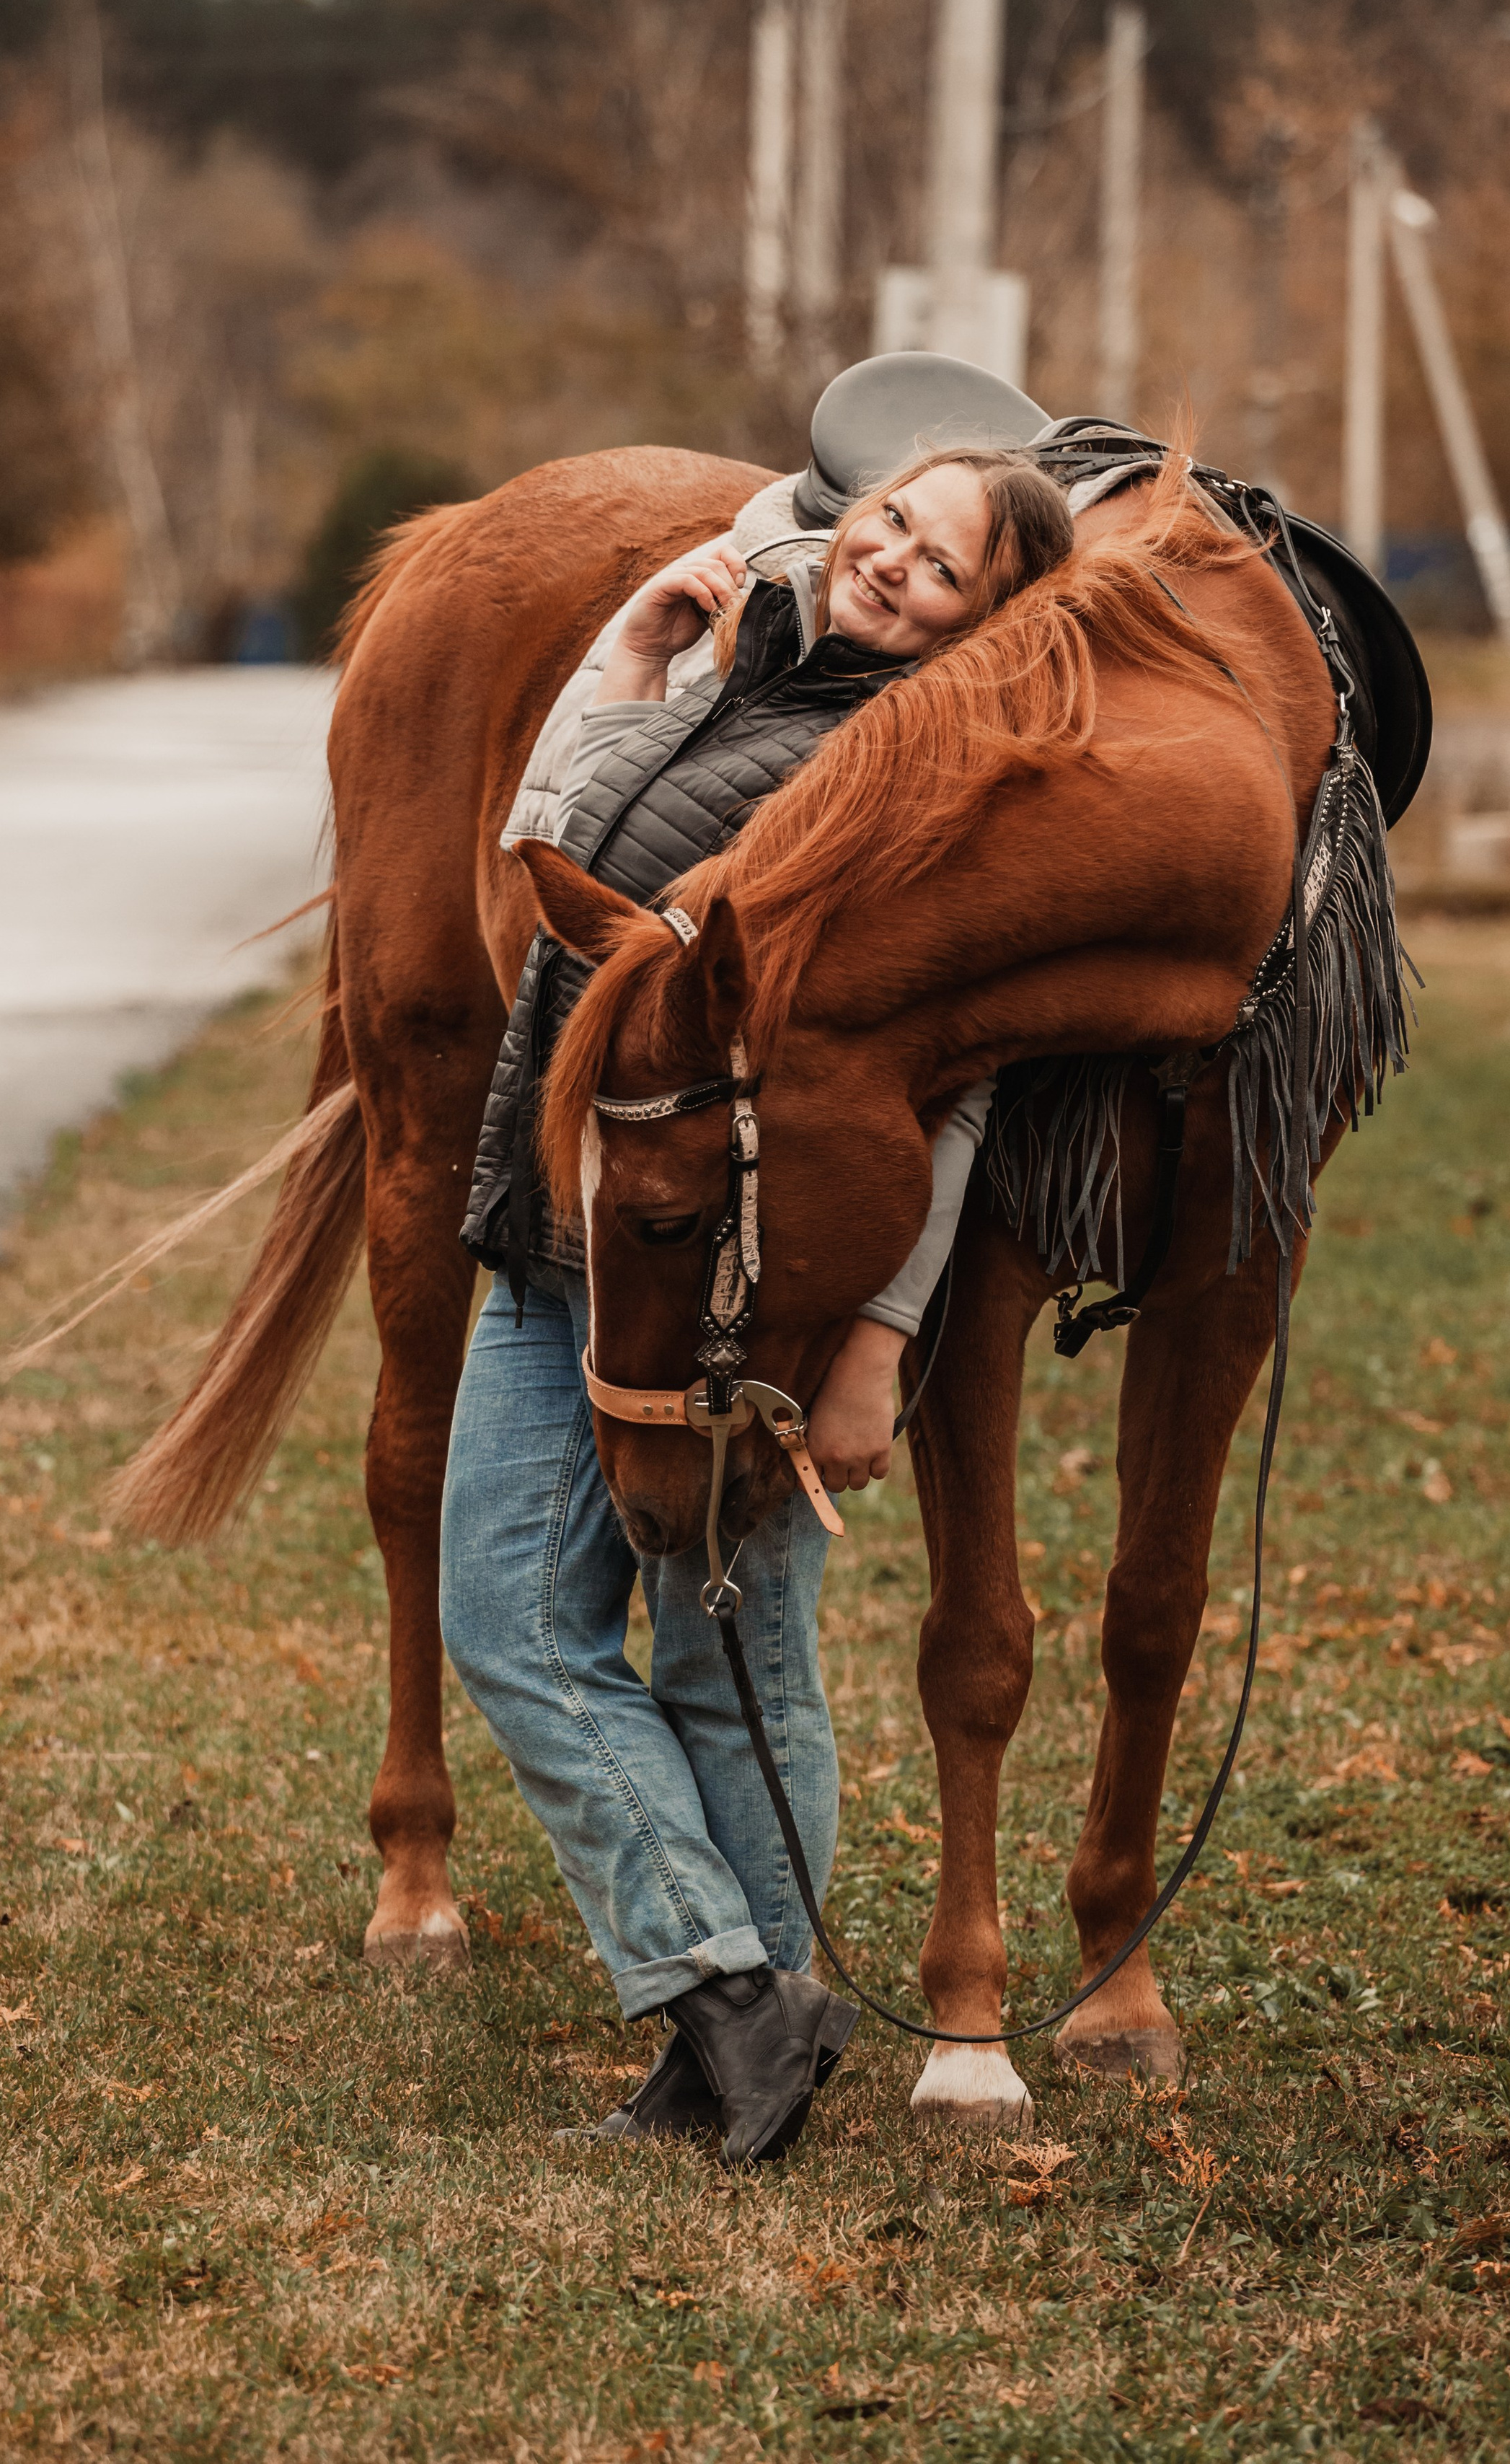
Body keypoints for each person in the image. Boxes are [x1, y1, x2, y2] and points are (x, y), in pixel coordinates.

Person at [440, 446, 1074, 2165]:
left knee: (728, 1652)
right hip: (560, 1216)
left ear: (989, 618)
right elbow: (545, 852)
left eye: (940, 568)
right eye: (888, 520)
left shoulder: (913, 778)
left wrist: (873, 1337)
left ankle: (735, 2031)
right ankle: (737, 2006)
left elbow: (953, 1094)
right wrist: (639, 656)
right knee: (511, 1621)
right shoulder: (762, 669)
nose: (887, 562)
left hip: (732, 1283)